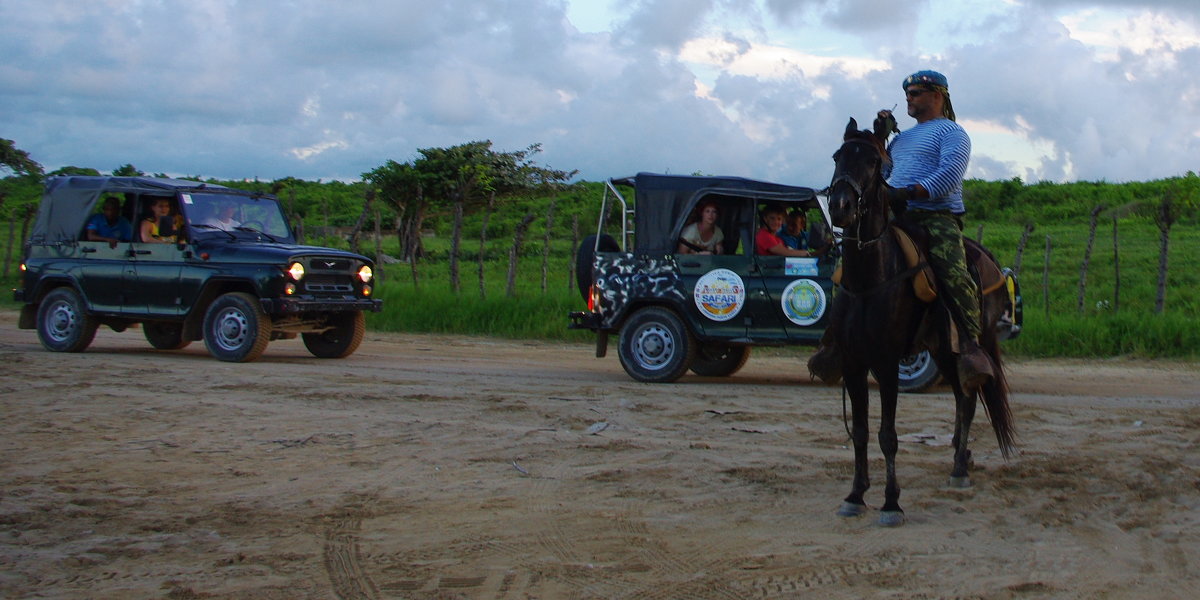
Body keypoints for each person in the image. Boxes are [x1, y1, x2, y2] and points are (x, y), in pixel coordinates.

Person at [809, 69, 993, 389]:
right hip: (896, 216)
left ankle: (970, 347)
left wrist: (909, 192)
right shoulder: (903, 139)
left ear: (937, 96)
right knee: (848, 267)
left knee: (952, 270)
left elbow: (949, 176)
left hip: (936, 217)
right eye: (907, 93)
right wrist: (880, 139)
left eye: (916, 93)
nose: (909, 98)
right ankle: (835, 342)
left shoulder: (953, 133)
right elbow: (884, 170)